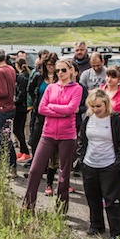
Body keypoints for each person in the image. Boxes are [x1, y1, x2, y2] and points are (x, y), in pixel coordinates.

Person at [23, 59, 83, 214]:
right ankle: (28, 207)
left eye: (63, 70)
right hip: (48, 134)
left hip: (67, 136)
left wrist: (53, 107)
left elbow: (71, 109)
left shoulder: (77, 88)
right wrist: (62, 112)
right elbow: (41, 108)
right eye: (58, 71)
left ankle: (61, 210)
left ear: (71, 70)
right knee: (35, 170)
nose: (60, 73)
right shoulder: (51, 87)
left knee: (63, 175)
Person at [77, 89, 120, 239]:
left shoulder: (114, 120)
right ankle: (96, 225)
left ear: (106, 104)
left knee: (111, 200)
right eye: (93, 106)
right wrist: (81, 159)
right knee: (92, 197)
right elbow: (81, 139)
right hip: (90, 164)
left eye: (98, 106)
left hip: (109, 165)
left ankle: (116, 232)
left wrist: (118, 163)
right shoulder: (88, 118)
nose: (96, 109)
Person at [27, 52, 60, 192]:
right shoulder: (39, 77)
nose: (50, 67)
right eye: (48, 65)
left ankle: (50, 174)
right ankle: (38, 168)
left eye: (52, 65)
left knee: (53, 146)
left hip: (55, 114)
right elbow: (30, 89)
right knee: (35, 141)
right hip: (40, 114)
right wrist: (36, 102)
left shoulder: (60, 78)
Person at [14, 57, 32, 162]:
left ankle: (25, 152)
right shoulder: (26, 75)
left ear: (17, 65)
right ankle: (22, 150)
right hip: (24, 106)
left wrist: (15, 102)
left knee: (17, 129)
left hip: (21, 106)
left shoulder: (22, 77)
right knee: (19, 129)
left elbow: (22, 93)